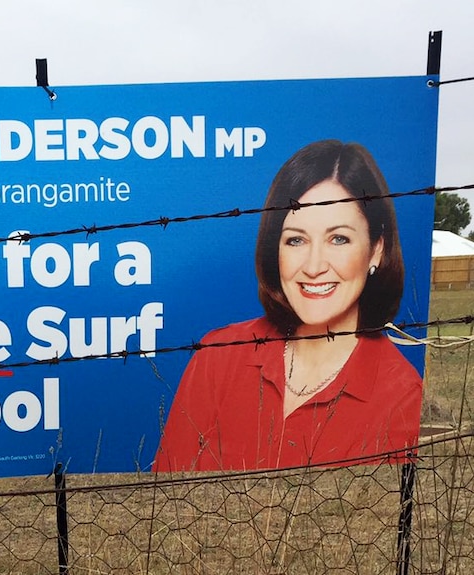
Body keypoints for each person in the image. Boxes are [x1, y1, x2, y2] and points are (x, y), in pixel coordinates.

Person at [154, 140, 423, 472]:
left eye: (339, 238)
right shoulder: (217, 356)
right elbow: (163, 505)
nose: (313, 266)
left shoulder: (401, 395)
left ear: (376, 250)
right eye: (296, 239)